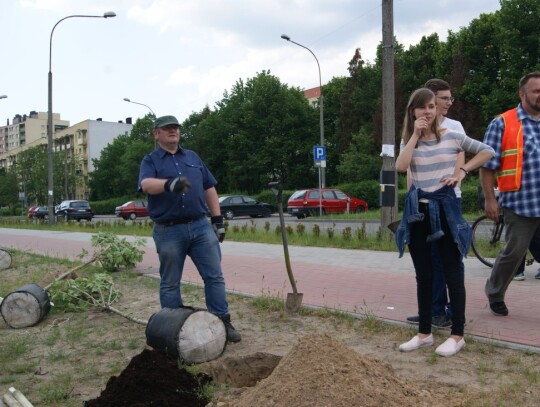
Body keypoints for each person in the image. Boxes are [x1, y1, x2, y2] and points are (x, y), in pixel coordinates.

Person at [395, 88, 495, 357]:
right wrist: (415, 135)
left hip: (446, 211)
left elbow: (487, 151)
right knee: (424, 275)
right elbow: (401, 167)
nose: (427, 111)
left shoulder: (452, 137)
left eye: (431, 106)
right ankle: (424, 333)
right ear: (413, 111)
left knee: (452, 273)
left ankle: (457, 335)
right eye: (422, 107)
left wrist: (461, 171)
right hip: (418, 214)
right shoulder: (410, 140)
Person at [138, 115, 241, 342]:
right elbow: (145, 184)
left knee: (214, 277)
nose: (173, 130)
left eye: (175, 127)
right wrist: (168, 184)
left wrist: (217, 220)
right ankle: (174, 330)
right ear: (156, 134)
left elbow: (209, 187)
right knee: (170, 282)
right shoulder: (151, 160)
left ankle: (222, 322)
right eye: (167, 128)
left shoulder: (193, 157)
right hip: (169, 231)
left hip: (200, 227)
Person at [406, 79, 465, 327]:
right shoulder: (414, 128)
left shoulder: (453, 127)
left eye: (449, 99)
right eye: (444, 98)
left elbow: (462, 156)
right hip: (421, 203)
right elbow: (406, 165)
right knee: (429, 261)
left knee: (450, 258)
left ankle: (454, 312)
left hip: (447, 201)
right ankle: (434, 310)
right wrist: (413, 196)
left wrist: (458, 177)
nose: (448, 103)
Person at [481, 72, 540, 316]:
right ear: (522, 94)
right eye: (536, 91)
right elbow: (487, 165)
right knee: (514, 253)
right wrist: (490, 199)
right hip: (520, 204)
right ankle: (495, 292)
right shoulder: (503, 123)